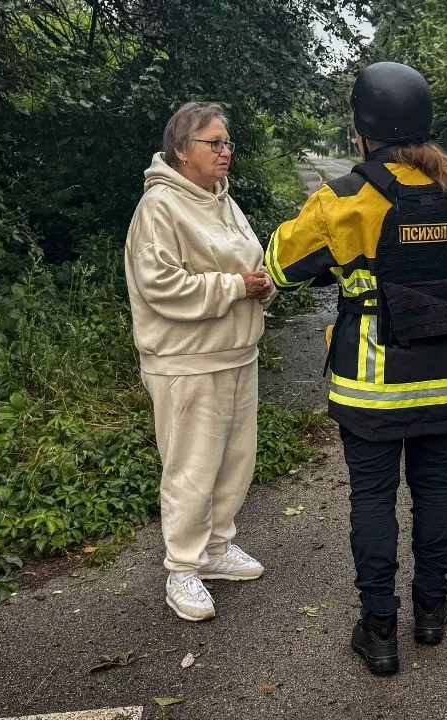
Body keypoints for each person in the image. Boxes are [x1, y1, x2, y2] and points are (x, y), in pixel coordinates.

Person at [265, 62, 447, 675]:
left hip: (372, 386)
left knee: (373, 499)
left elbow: (282, 265)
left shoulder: (343, 197)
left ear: (363, 128)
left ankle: (379, 631)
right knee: (436, 489)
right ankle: (432, 613)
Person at [124, 102, 276, 622]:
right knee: (191, 469)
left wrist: (263, 286)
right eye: (213, 142)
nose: (225, 151)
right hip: (186, 360)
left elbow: (251, 263)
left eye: (227, 142)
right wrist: (235, 287)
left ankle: (215, 548)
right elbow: (160, 285)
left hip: (237, 352)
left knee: (234, 461)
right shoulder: (159, 207)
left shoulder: (223, 201)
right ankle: (183, 568)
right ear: (181, 150)